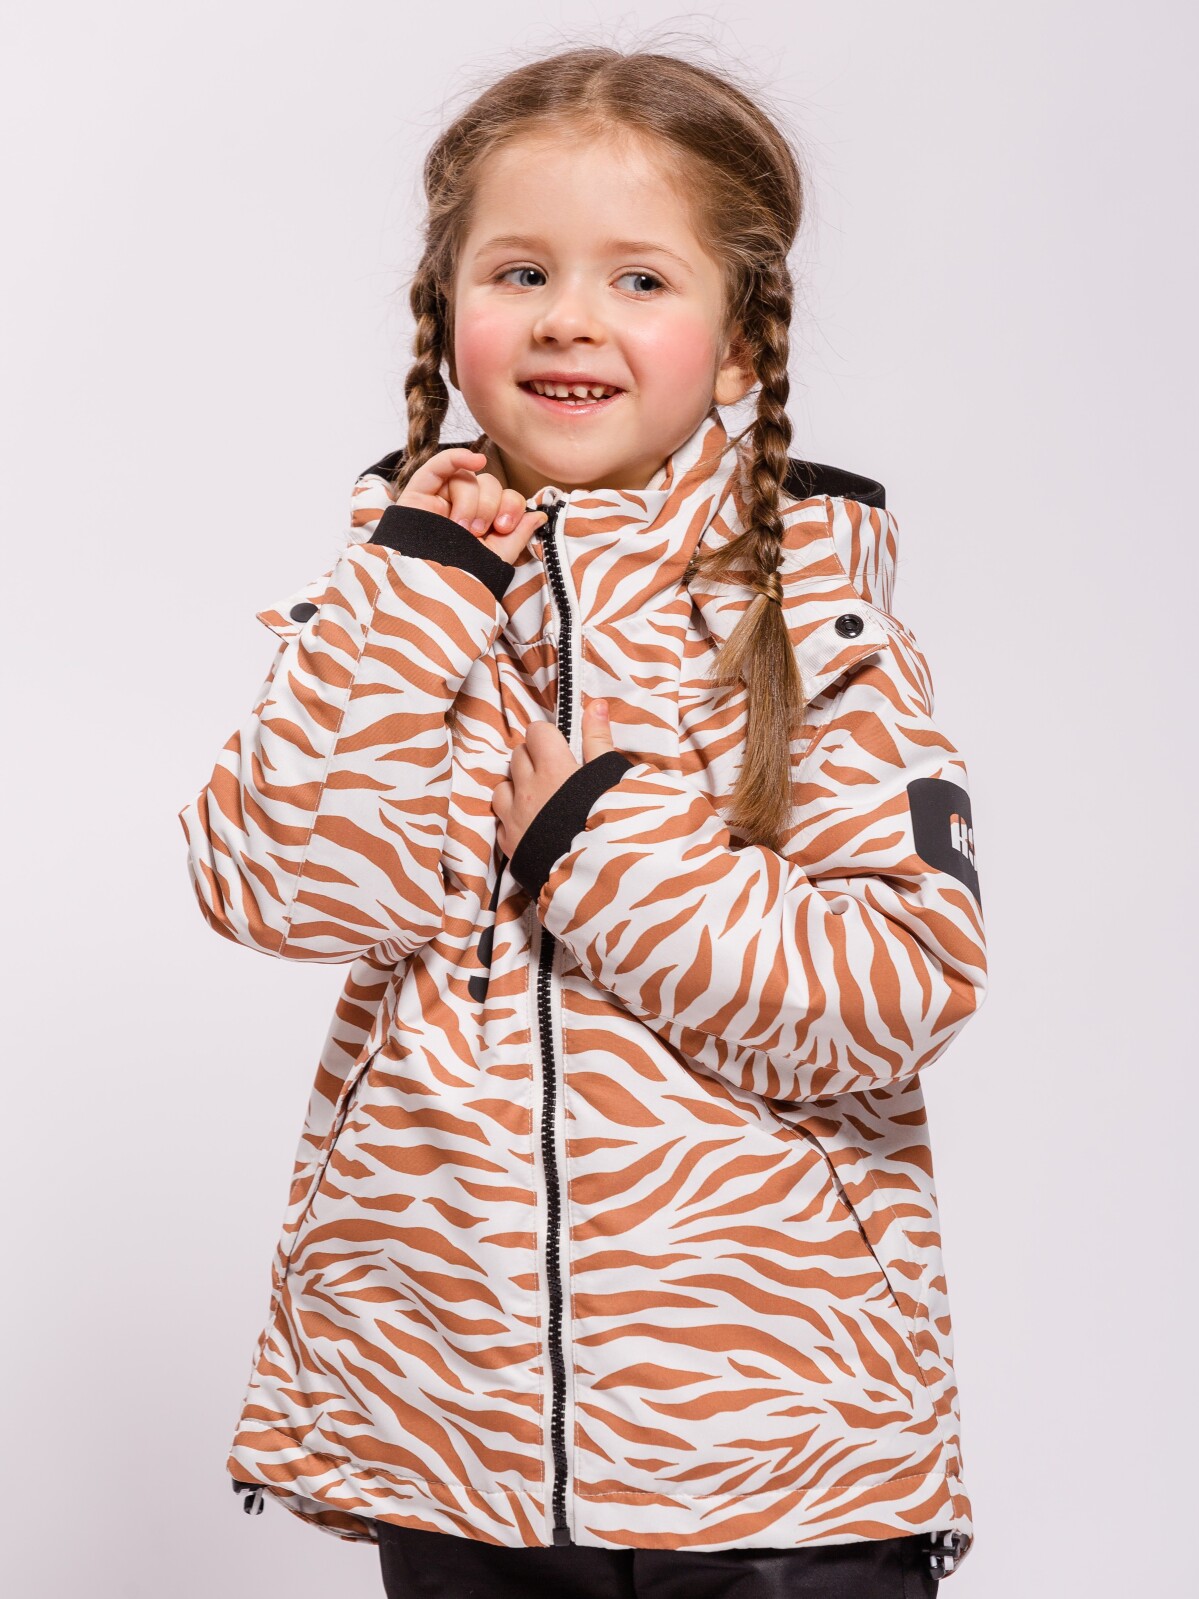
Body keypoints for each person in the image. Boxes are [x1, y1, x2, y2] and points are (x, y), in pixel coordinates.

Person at [177, 42, 987, 1599]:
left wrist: (597, 853)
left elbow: (903, 985)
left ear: (739, 347)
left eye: (639, 279)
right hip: (453, 1431)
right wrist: (416, 591)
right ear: (448, 311)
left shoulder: (812, 629)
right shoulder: (399, 602)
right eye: (522, 271)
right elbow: (278, 889)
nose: (569, 317)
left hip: (776, 1458)